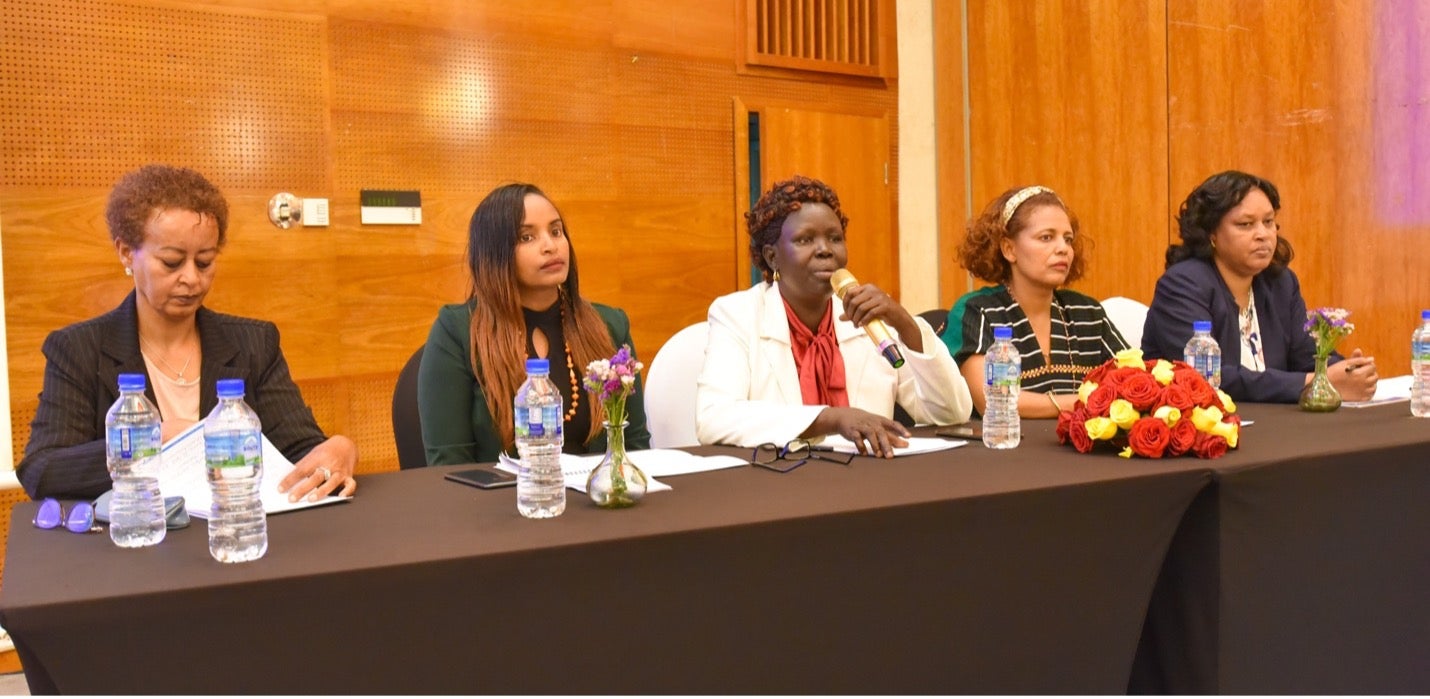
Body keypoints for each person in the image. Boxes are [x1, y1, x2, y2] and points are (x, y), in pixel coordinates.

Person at [18, 164, 359, 501]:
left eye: (205, 262)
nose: (192, 279)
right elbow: (42, 470)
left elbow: (300, 451)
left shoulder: (253, 343)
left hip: (236, 534)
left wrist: (338, 449)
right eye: (171, 262)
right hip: (134, 543)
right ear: (126, 252)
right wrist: (148, 443)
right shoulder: (79, 349)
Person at [695, 175, 972, 457]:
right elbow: (714, 419)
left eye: (834, 238)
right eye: (805, 239)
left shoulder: (869, 318)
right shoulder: (737, 315)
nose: (825, 249)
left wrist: (904, 323)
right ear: (772, 257)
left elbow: (951, 413)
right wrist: (833, 418)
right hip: (780, 484)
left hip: (869, 482)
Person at [418, 183, 650, 465]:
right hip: (503, 504)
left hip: (599, 500)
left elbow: (636, 448)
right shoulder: (457, 331)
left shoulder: (609, 325)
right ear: (494, 254)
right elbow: (449, 466)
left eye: (556, 231)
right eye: (527, 237)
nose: (550, 246)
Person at [1142, 170, 1378, 402]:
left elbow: (1306, 356)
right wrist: (1313, 382)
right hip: (1208, 430)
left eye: (1268, 222)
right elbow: (1209, 377)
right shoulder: (1182, 285)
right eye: (1245, 224)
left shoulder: (1280, 283)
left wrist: (1347, 372)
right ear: (1211, 233)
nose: (1263, 234)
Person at [944, 186, 1129, 417]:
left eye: (1068, 239)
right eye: (1046, 237)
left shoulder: (1088, 312)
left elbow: (1134, 384)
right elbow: (993, 400)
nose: (1063, 249)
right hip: (1005, 448)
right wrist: (1084, 401)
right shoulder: (979, 311)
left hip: (1081, 450)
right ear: (1009, 249)